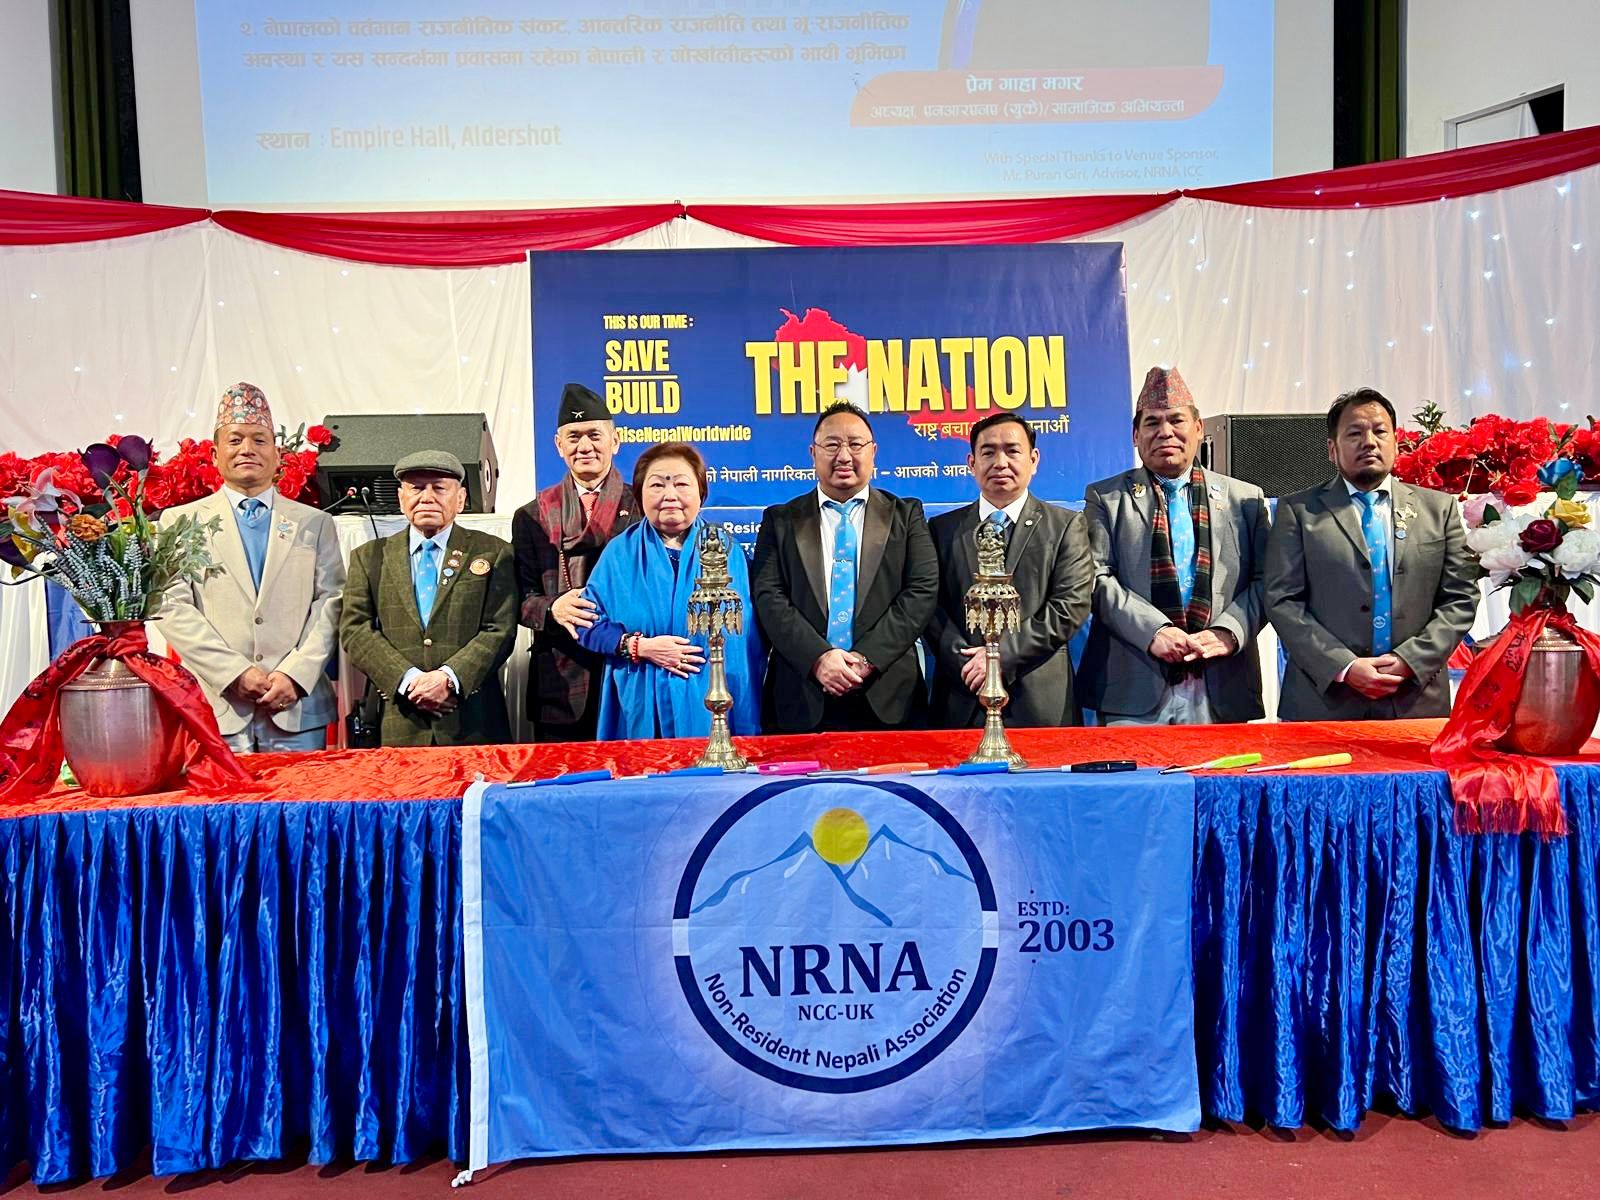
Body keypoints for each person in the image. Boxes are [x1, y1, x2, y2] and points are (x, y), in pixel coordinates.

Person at [1266, 387, 1478, 720]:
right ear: (1332, 449)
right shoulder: (1298, 511)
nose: (1369, 442)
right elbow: (1282, 601)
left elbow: (1461, 598)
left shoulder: (1439, 509)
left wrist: (1410, 660)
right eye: (1354, 433)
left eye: (1380, 431)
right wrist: (1344, 666)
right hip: (1324, 703)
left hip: (1415, 700)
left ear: (1396, 442)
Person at [1078, 366, 1271, 725]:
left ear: (1198, 428)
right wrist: (1154, 632)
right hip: (1134, 683)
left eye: (1176, 420)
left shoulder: (1245, 499)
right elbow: (1096, 577)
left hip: (1222, 681)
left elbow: (1267, 582)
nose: (1165, 432)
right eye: (1152, 422)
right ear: (1135, 435)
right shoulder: (1106, 498)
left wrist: (1229, 632)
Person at [159, 382, 345, 753]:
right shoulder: (179, 522)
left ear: (277, 455)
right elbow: (171, 606)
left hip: (296, 707)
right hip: (218, 706)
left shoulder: (314, 523)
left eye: (259, 440)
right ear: (215, 454)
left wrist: (295, 674)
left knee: (303, 794)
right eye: (235, 440)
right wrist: (233, 672)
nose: (247, 449)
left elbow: (332, 601)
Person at [752, 401, 939, 732]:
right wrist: (818, 658)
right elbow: (769, 597)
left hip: (888, 694)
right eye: (832, 445)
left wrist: (865, 660)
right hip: (802, 694)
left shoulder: (906, 515)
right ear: (813, 453)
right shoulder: (780, 520)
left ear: (873, 452)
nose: (844, 455)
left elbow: (921, 593)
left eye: (855, 444)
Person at [566, 443, 762, 740]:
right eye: (657, 485)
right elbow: (586, 622)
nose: (670, 495)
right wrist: (639, 647)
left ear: (701, 492)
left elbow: (748, 639)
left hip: (712, 699)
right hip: (641, 695)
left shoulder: (727, 551)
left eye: (681, 484)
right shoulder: (619, 553)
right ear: (640, 495)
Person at [926, 412, 1093, 728]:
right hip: (963, 695)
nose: (1000, 462)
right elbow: (929, 608)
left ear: (1034, 460)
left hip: (1040, 702)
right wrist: (967, 662)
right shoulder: (942, 529)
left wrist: (1000, 656)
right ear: (971, 463)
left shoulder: (1065, 526)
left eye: (1012, 451)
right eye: (988, 452)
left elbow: (1070, 606)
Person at [340, 451, 518, 746]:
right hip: (398, 719)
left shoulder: (493, 552)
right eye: (417, 488)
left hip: (473, 720)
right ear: (401, 498)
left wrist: (448, 678)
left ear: (460, 499)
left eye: (439, 488)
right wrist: (409, 681)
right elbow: (355, 629)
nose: (427, 497)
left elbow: (500, 628)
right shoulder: (369, 557)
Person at [513, 382, 638, 742]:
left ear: (615, 441)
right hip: (561, 682)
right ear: (559, 445)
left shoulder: (643, 508)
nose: (585, 446)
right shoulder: (533, 515)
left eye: (594, 435)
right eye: (573, 437)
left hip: (631, 671)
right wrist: (553, 608)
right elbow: (520, 599)